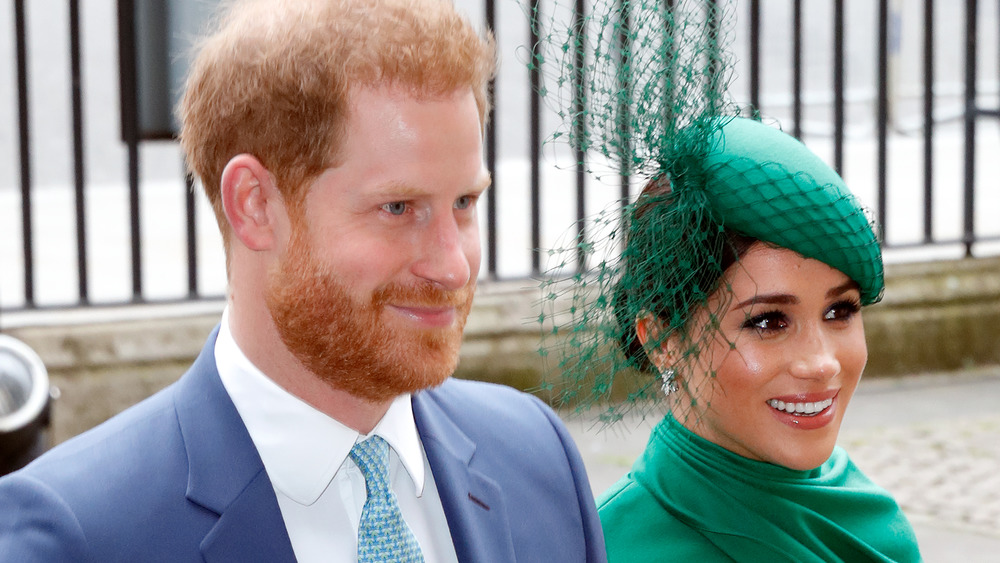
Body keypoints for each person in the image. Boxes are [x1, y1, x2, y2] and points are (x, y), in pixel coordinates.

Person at [0, 1, 606, 561]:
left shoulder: (539, 461)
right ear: (255, 205)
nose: (453, 265)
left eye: (466, 202)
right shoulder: (78, 535)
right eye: (398, 208)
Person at [589, 116, 923, 561]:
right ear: (663, 340)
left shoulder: (873, 524)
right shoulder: (610, 549)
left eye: (839, 311)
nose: (821, 362)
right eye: (768, 322)